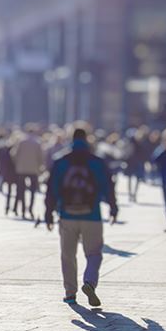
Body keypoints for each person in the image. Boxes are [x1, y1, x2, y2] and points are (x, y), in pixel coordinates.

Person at [43, 127, 119, 307]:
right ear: (87, 139)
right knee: (93, 253)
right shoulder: (97, 162)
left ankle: (70, 293)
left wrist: (48, 213)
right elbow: (108, 186)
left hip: (67, 215)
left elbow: (52, 189)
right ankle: (89, 281)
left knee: (68, 255)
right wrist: (113, 208)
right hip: (92, 214)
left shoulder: (61, 161)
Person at [11, 128, 44, 220]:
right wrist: (40, 167)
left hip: (21, 169)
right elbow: (41, 156)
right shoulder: (37, 142)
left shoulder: (21, 141)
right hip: (34, 169)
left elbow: (14, 154)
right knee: (33, 191)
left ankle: (23, 209)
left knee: (21, 190)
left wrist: (17, 163)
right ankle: (30, 208)